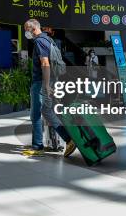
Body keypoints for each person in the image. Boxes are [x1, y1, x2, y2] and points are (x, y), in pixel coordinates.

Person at [24, 19, 76, 157]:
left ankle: (37, 146)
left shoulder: (39, 41)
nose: (25, 32)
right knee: (47, 111)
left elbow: (46, 64)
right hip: (51, 80)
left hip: (41, 82)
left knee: (35, 114)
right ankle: (69, 139)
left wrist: (46, 85)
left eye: (26, 29)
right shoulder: (49, 40)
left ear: (33, 29)